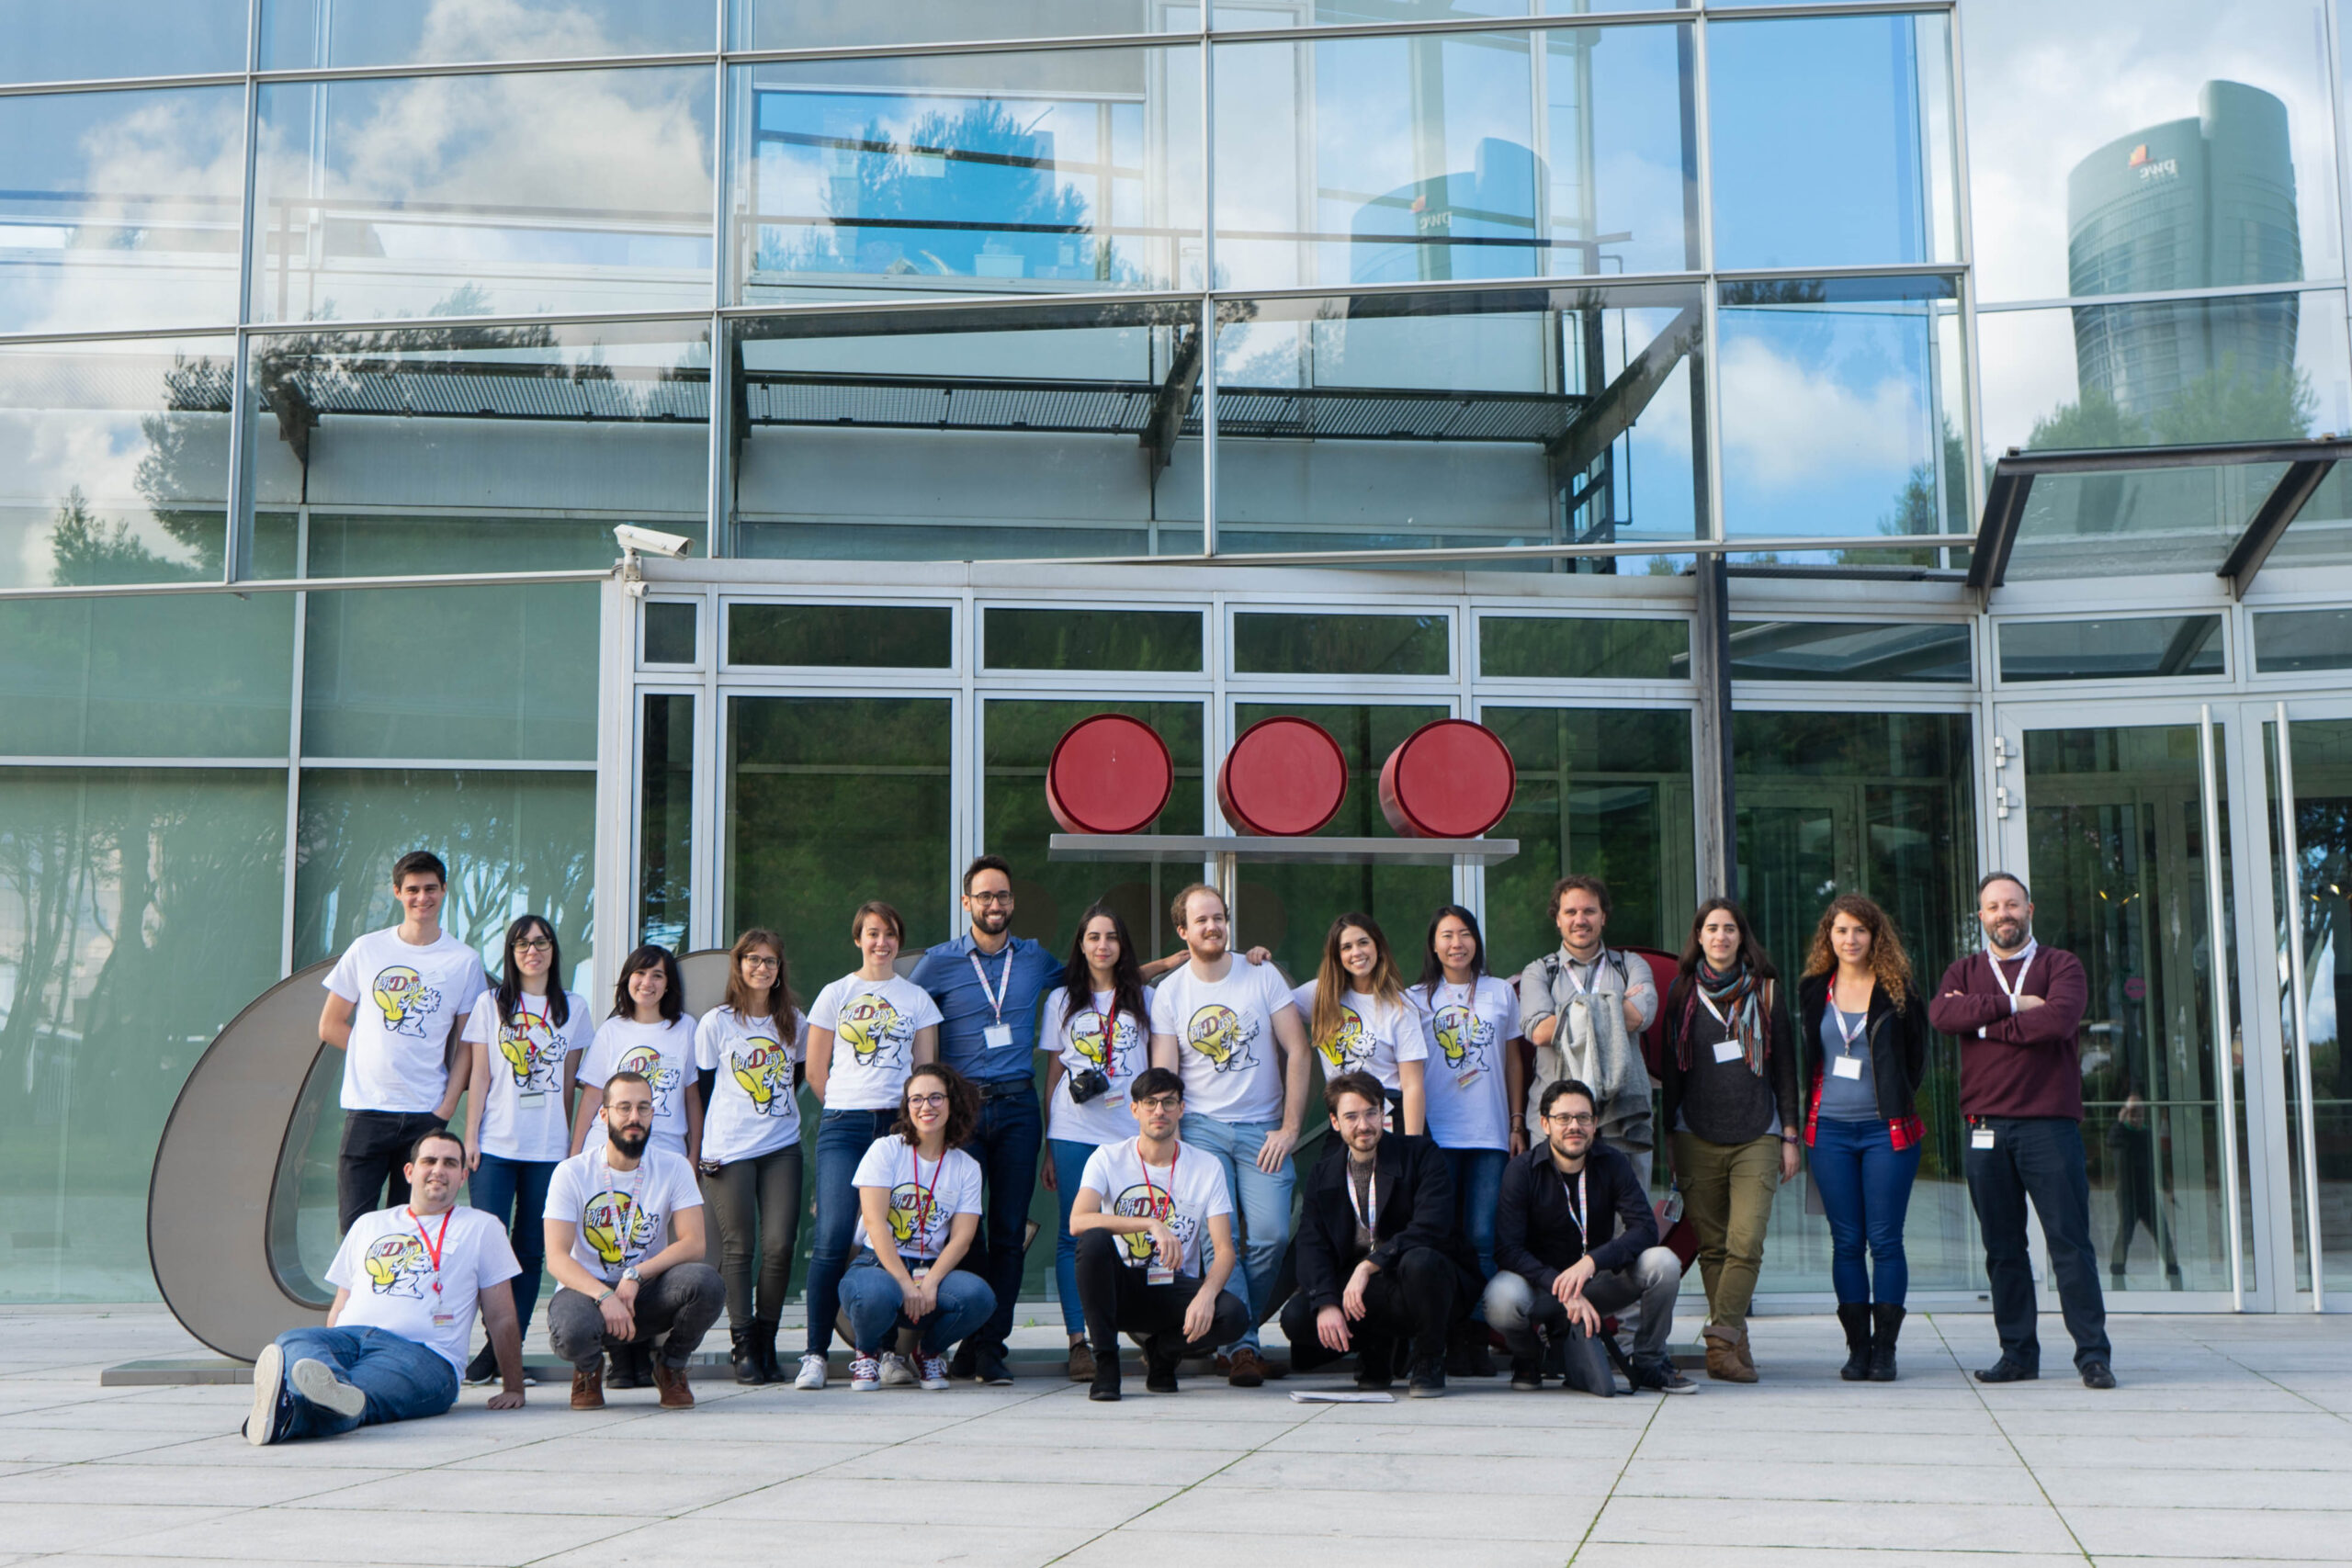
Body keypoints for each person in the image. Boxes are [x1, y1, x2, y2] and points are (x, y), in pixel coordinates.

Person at [1928, 873, 2114, 1390]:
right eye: (1993, 907)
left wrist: (1981, 1025)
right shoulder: (1963, 969)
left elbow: (2057, 1022)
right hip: (1985, 1126)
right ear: (1981, 917)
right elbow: (1942, 1014)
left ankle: (2093, 1356)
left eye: (2012, 904)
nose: (2003, 914)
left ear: (2029, 909)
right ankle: (2017, 1355)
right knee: (2003, 1248)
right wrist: (2014, 1005)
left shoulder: (2061, 965)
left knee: (2069, 1243)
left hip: (2048, 1127)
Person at [246, 1130, 526, 1444]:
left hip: (423, 1356)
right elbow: (341, 1303)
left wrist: (514, 1387)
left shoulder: (482, 1227)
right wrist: (332, 1357)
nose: (438, 1170)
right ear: (409, 1171)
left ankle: (287, 1411)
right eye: (429, 1161)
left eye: (449, 1163)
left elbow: (501, 1315)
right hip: (349, 1340)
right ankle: (319, 1396)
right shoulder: (368, 1224)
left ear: (463, 1176)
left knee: (357, 1398)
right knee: (293, 1339)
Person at [1148, 882, 1312, 1387]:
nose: (1212, 926)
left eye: (1218, 917)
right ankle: (1243, 1349)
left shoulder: (1261, 975)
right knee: (1223, 1239)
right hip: (1200, 1130)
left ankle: (1236, 1330)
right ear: (1183, 930)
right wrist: (1172, 1142)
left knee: (1270, 1236)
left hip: (1263, 1129)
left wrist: (1290, 1128)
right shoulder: (1171, 992)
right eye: (1201, 920)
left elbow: (1298, 1050)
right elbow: (1165, 1077)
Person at [909, 856, 1061, 1386]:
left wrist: (1172, 962)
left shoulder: (1035, 958)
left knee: (1009, 1232)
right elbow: (901, 1011)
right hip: (963, 1112)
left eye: (1002, 896)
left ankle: (991, 1346)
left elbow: (1098, 974)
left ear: (1012, 901)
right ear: (966, 902)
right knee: (965, 1232)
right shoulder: (938, 962)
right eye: (984, 896)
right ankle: (971, 1336)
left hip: (1018, 1108)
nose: (994, 905)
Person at [797, 900, 941, 1390]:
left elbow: (926, 1073)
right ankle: (815, 1353)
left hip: (899, 1129)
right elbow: (816, 1071)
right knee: (833, 1236)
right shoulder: (835, 993)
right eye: (873, 933)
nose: (882, 942)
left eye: (890, 934)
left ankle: (886, 1354)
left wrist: (907, 1123)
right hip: (844, 1125)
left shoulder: (916, 998)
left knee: (890, 1238)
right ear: (857, 939)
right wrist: (848, 1103)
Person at [1659, 897, 1797, 1383]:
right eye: (1712, 928)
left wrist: (1790, 1135)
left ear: (1742, 937)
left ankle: (1718, 1345)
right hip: (1694, 1134)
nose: (1721, 936)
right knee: (1713, 1247)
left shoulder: (1767, 992)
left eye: (1730, 928)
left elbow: (1786, 1068)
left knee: (1746, 1242)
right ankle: (1735, 1342)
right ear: (1699, 937)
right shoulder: (1681, 992)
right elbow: (1671, 1073)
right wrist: (1669, 1138)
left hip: (1757, 1133)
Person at [1280, 1071, 1483, 1397]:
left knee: (1421, 1262)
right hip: (1367, 1289)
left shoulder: (1420, 1153)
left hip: (1419, 1278)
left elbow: (1431, 1226)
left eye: (1371, 1113)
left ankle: (1429, 1357)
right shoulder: (1325, 1171)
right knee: (1297, 1316)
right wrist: (1326, 1301)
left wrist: (1369, 1265)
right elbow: (1311, 1242)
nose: (1364, 1125)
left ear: (1383, 1113)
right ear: (1334, 1122)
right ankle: (1376, 1352)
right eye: (1351, 1116)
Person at [318, 850, 489, 1235]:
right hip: (367, 1109)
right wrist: (373, 1048)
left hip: (426, 1113)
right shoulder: (366, 949)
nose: (421, 897)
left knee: (413, 1230)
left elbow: (468, 1045)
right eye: (412, 889)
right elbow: (329, 1025)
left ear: (443, 890)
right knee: (356, 1230)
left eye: (430, 888)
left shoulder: (464, 961)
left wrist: (446, 1107)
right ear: (397, 892)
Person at [1486, 1078, 1691, 1396]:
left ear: (1595, 1124)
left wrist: (1592, 1262)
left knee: (1663, 1262)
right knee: (1501, 1298)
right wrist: (1561, 1286)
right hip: (1541, 1287)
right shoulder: (1522, 1170)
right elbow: (1508, 1249)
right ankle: (1529, 1356)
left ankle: (1650, 1361)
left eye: (1583, 1118)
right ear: (1545, 1124)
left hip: (1596, 1283)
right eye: (1563, 1118)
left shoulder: (1612, 1163)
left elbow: (1645, 1229)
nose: (1574, 1126)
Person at [1797, 894, 1930, 1382]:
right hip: (1828, 1132)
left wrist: (1892, 1099)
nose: (1850, 939)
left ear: (1875, 936)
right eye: (1841, 930)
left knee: (1886, 1240)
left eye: (1859, 930)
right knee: (1847, 1242)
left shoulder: (1899, 989)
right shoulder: (1814, 989)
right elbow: (1809, 1055)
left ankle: (1885, 1351)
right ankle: (1858, 1348)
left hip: (1886, 1132)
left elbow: (1916, 1060)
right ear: (1828, 937)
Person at [457, 914, 587, 1387]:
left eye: (541, 942)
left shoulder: (574, 1007)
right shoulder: (490, 1004)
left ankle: (502, 1351)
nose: (533, 951)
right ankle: (489, 1344)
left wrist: (568, 1145)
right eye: (522, 944)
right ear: (511, 954)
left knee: (531, 1252)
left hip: (548, 1151)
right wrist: (470, 1136)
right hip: (495, 1145)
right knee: (488, 1250)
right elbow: (480, 1076)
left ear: (554, 951)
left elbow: (569, 1084)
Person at [543, 1071, 724, 1411]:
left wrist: (636, 1275)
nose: (634, 1117)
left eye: (643, 1108)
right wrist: (604, 1295)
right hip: (587, 1293)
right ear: (604, 1115)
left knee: (707, 1283)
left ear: (652, 1114)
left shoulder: (674, 1167)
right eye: (623, 1108)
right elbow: (556, 1258)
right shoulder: (571, 1172)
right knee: (571, 1331)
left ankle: (670, 1366)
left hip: (645, 1292)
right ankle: (588, 1369)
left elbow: (694, 1243)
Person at [1070, 1067, 1249, 1401]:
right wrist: (1151, 1224)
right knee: (1093, 1240)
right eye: (1150, 1103)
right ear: (1134, 1109)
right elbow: (1078, 1221)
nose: (1159, 1111)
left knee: (1235, 1316)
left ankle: (1163, 1352)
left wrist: (1207, 1295)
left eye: (1168, 1103)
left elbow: (1225, 1249)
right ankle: (1106, 1364)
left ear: (1181, 1109)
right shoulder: (1107, 1158)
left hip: (1172, 1286)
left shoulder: (1206, 1166)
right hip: (1120, 1287)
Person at [1406, 904, 1523, 1377]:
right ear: (1433, 946)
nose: (1457, 944)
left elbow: (1514, 1060)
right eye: (1447, 935)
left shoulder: (1500, 992)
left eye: (1465, 934)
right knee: (1438, 1239)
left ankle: (1477, 1336)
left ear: (1477, 940)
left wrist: (1516, 1121)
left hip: (1490, 1134)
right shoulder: (1414, 999)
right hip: (1437, 1134)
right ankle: (1443, 1334)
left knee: (1482, 1237)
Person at [1039, 903, 1154, 1383]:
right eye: (1093, 937)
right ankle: (1078, 1341)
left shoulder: (1145, 998)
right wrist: (1049, 1144)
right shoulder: (1061, 1000)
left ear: (1122, 945)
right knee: (1075, 1236)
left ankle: (1147, 1332)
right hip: (1073, 1132)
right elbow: (1054, 1074)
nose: (1102, 945)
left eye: (1111, 937)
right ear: (1081, 945)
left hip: (1129, 1133)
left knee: (1138, 1230)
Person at [835, 1063, 996, 1392]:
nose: (926, 1107)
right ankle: (868, 1354)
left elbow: (963, 1237)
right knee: (873, 1296)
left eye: (936, 1097)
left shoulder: (966, 1166)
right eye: (916, 1099)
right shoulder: (886, 1150)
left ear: (951, 1103)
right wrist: (904, 1283)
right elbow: (875, 1222)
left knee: (980, 1297)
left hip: (930, 1267)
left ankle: (928, 1353)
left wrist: (931, 1281)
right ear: (907, 1107)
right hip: (877, 1263)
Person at [695, 928, 805, 1385]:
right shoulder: (716, 1023)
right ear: (739, 965)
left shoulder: (795, 1021)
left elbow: (796, 1077)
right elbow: (703, 1089)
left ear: (780, 970)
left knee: (779, 1246)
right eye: (753, 959)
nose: (762, 967)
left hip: (781, 1146)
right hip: (730, 1149)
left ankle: (767, 1339)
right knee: (738, 1248)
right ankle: (742, 1344)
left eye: (770, 961)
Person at [1517, 874, 1658, 1191]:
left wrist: (1564, 1012)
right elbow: (1539, 1031)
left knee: (1626, 1215)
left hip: (1622, 1117)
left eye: (1589, 911)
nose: (1580, 920)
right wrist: (1613, 1005)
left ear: (1603, 916)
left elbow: (1639, 1016)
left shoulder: (1631, 965)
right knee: (1556, 1213)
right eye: (1570, 912)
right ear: (1557, 919)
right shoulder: (1539, 971)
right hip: (1557, 1119)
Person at [1292, 913, 1429, 1135]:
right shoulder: (1319, 995)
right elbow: (1272, 1007)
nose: (1356, 952)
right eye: (1346, 947)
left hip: (1387, 1114)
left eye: (1363, 943)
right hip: (1344, 1114)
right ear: (1337, 955)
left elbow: (1412, 1086)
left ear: (1378, 947)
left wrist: (1413, 1145)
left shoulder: (1400, 1007)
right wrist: (1258, 963)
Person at [574, 944, 702, 1167]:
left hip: (666, 1151)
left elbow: (692, 1098)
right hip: (608, 1148)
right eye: (640, 973)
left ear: (668, 984)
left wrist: (694, 1155)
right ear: (628, 979)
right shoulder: (611, 1030)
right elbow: (592, 1097)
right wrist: (575, 1155)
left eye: (657, 975)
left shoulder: (686, 1028)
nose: (647, 982)